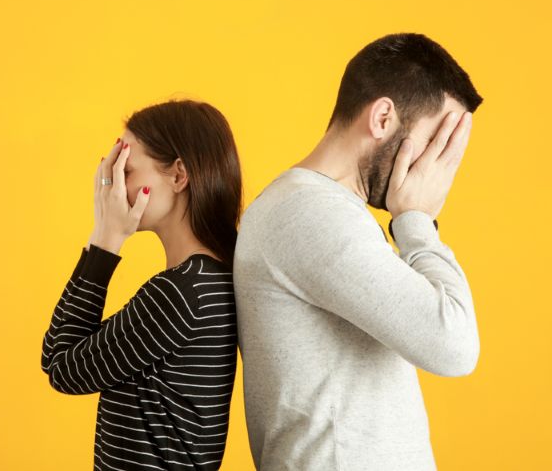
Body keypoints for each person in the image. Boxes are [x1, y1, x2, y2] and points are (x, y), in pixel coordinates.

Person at [233, 33, 483, 470]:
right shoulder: (308, 213)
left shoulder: (330, 210)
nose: (438, 167)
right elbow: (454, 345)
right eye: (436, 142)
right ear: (383, 117)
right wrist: (417, 221)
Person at [41, 99, 243, 470]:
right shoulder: (208, 281)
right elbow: (62, 353)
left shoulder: (180, 295)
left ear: (179, 175)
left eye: (126, 170)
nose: (113, 186)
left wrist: (106, 237)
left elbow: (62, 370)